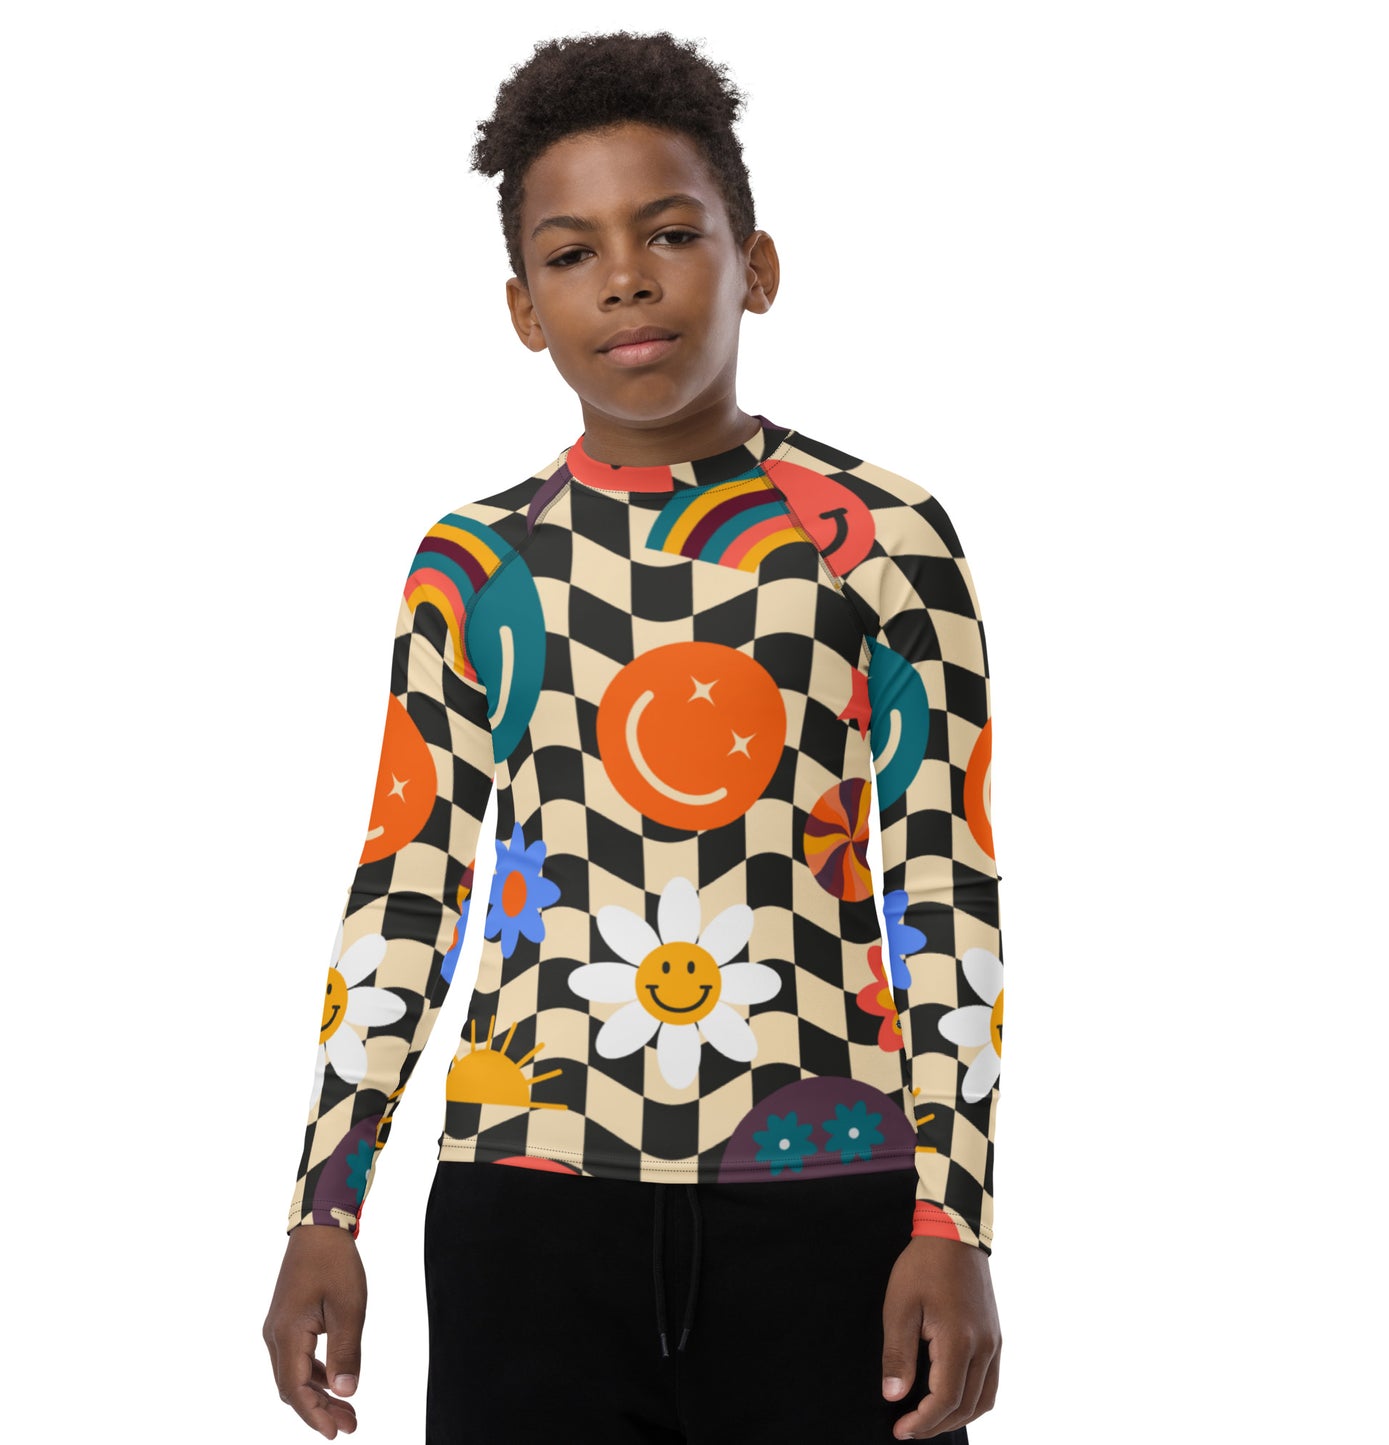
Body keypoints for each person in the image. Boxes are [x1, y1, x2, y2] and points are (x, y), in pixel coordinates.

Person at [262, 30, 1003, 1445]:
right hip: (526, 1207)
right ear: (523, 308)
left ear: (756, 264)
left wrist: (952, 1218)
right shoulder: (476, 564)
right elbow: (409, 882)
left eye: (669, 233)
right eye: (570, 252)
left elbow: (942, 884)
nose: (624, 278)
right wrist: (325, 1208)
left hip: (835, 1199)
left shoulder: (879, 542)